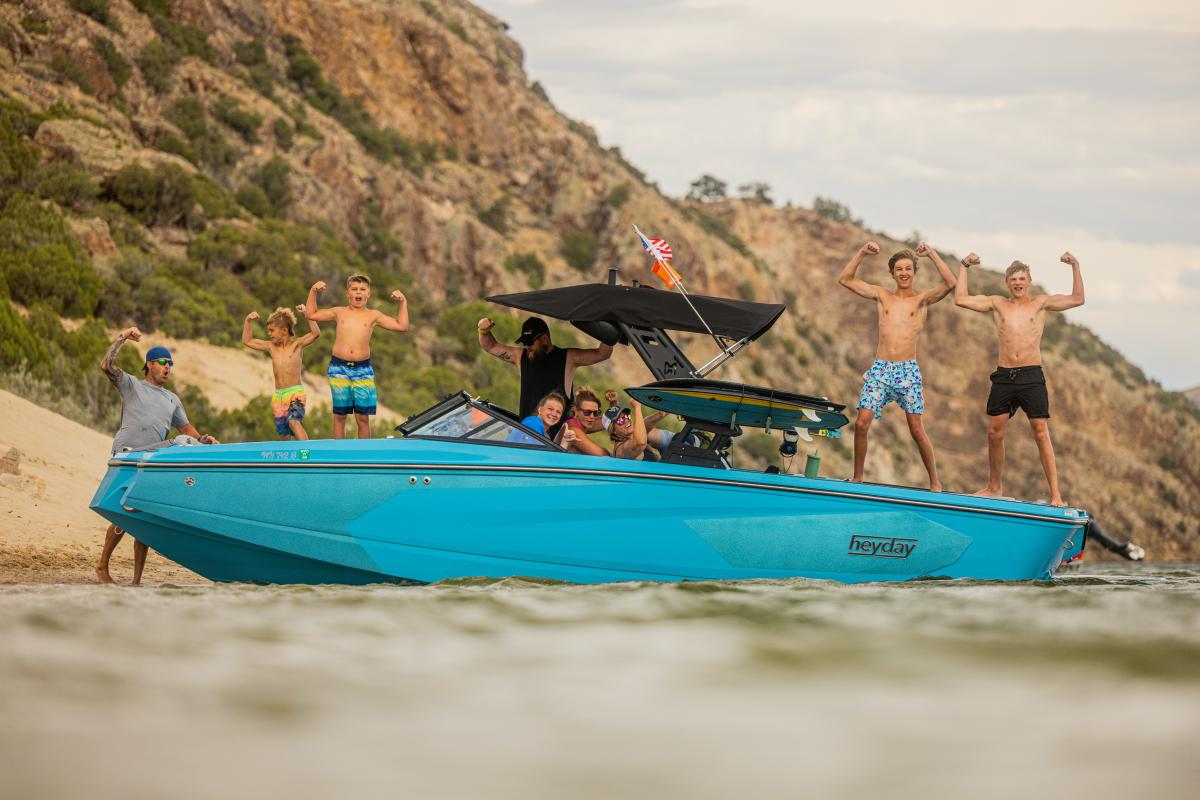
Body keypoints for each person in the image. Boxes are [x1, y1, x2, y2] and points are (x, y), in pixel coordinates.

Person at [954, 252, 1085, 506]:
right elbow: (960, 299)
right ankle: (994, 487)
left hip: (1031, 375)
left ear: (1029, 281)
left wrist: (1075, 266)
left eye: (1022, 278)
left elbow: (1078, 298)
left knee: (1040, 431)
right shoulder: (996, 303)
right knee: (994, 432)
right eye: (1013, 279)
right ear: (1007, 283)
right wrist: (963, 266)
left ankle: (1056, 495)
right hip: (1004, 375)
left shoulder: (1041, 303)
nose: (1018, 282)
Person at [96, 326, 219, 585]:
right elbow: (106, 365)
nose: (167, 367)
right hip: (127, 455)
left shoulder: (172, 399)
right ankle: (102, 566)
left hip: (153, 461)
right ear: (149, 364)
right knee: (123, 514)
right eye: (163, 362)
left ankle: (136, 581)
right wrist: (122, 338)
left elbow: (185, 428)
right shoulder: (131, 385)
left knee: (144, 520)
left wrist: (204, 440)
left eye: (170, 364)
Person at [839, 241, 957, 490]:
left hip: (907, 371)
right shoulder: (883, 296)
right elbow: (846, 280)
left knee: (916, 429)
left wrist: (932, 254)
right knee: (861, 423)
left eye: (908, 269)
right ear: (892, 273)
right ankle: (858, 477)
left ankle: (935, 483)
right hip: (881, 370)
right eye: (899, 269)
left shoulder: (922, 300)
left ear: (914, 272)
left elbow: (950, 283)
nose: (904, 273)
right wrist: (861, 252)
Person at [304, 274, 409, 439]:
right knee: (340, 415)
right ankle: (340, 455)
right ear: (347, 293)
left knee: (362, 417)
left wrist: (403, 302)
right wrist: (313, 291)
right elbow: (311, 314)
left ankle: (363, 456)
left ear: (369, 294)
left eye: (362, 289)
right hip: (339, 368)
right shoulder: (339, 312)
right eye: (354, 289)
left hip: (363, 370)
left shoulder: (373, 315)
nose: (358, 292)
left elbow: (402, 326)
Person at [475, 315, 613, 438]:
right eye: (524, 342)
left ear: (545, 338)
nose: (527, 346)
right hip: (527, 439)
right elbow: (490, 346)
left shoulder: (568, 357)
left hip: (557, 446)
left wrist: (611, 326)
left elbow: (603, 353)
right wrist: (483, 329)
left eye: (530, 342)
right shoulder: (521, 356)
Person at [242, 305, 321, 440]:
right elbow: (247, 340)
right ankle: (287, 461)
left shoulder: (297, 345)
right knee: (284, 433)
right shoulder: (271, 347)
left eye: (272, 330)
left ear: (284, 330)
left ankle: (307, 454)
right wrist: (248, 321)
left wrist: (308, 315)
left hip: (295, 393)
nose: (269, 333)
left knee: (294, 422)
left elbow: (315, 333)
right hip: (279, 396)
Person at [558, 386, 610, 456]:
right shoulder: (572, 429)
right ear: (576, 410)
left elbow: (608, 420)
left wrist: (614, 403)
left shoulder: (583, 423)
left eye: (596, 413)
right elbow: (601, 454)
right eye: (587, 412)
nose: (592, 416)